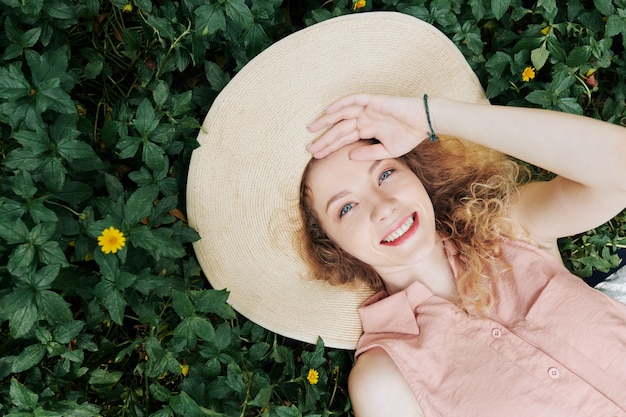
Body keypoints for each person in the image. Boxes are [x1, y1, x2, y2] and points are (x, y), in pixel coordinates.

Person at [186, 11, 626, 417]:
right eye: (347, 206)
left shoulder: (510, 229)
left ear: (417, 173)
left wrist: (429, 117)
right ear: (327, 242)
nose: (385, 207)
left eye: (385, 174)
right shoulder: (385, 376)